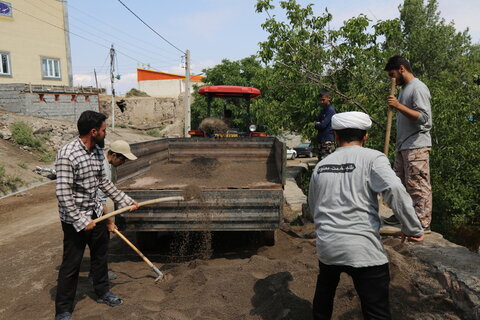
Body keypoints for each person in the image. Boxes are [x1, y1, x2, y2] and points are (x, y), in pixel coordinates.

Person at [308, 111, 424, 320]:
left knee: (324, 293)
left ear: (335, 136)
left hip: (328, 247)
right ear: (365, 136)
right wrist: (412, 228)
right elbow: (395, 191)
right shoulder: (373, 158)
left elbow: (313, 206)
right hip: (362, 248)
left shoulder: (321, 165)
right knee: (376, 311)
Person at [54, 111, 139, 320]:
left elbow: (103, 183)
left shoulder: (97, 152)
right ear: (93, 132)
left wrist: (126, 200)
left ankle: (102, 292)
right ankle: (63, 310)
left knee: (101, 257)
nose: (105, 132)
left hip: (96, 214)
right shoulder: (68, 154)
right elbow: (63, 193)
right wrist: (81, 220)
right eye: (103, 129)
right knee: (71, 265)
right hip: (75, 221)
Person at [383, 56, 433, 233]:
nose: (392, 80)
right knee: (399, 184)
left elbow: (425, 120)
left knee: (418, 185)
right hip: (403, 145)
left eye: (393, 74)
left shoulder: (418, 88)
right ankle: (401, 214)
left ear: (402, 69)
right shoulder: (404, 89)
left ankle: (422, 222)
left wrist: (398, 106)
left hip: (416, 145)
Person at [87, 139, 138, 281]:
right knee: (101, 245)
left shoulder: (105, 163)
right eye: (123, 159)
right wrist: (109, 222)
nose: (124, 163)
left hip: (91, 211)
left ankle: (96, 272)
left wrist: (127, 201)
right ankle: (98, 275)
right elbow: (100, 201)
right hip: (93, 212)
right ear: (114, 155)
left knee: (96, 246)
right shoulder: (103, 168)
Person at [314, 91, 336, 160]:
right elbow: (315, 123)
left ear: (328, 98)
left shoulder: (330, 110)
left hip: (327, 141)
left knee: (327, 163)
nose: (321, 102)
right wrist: (317, 124)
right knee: (320, 162)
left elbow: (323, 125)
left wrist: (319, 124)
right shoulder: (323, 110)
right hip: (321, 140)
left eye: (323, 100)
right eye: (320, 100)